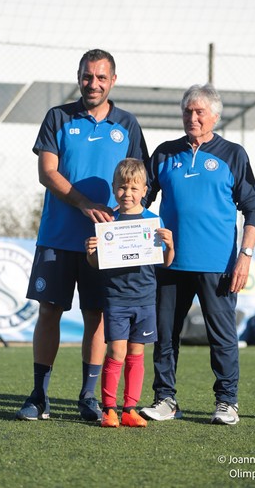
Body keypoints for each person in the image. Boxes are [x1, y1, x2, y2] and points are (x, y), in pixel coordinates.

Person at [16, 49, 148, 421]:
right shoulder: (58, 117)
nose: (93, 84)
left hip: (106, 244)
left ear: (113, 81)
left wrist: (134, 220)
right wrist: (84, 203)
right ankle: (39, 396)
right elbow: (47, 171)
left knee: (98, 317)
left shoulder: (128, 124)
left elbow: (141, 182)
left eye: (101, 78)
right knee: (49, 312)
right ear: (79, 77)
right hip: (58, 236)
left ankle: (88, 397)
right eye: (87, 77)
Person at [139, 83, 255, 425]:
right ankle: (165, 398)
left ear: (215, 117)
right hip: (169, 261)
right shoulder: (164, 153)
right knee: (165, 334)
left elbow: (253, 210)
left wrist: (245, 255)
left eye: (199, 112)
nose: (192, 118)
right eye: (187, 112)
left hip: (218, 265)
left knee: (222, 336)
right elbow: (140, 200)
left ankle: (227, 402)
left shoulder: (233, 154)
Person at [85, 158, 174, 427]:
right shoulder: (108, 222)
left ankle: (130, 409)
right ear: (114, 188)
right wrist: (91, 253)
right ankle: (109, 409)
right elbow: (98, 263)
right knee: (116, 352)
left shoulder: (153, 221)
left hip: (145, 298)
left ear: (145, 190)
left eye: (134, 188)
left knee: (137, 353)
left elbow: (166, 262)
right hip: (116, 298)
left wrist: (169, 246)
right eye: (123, 188)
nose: (128, 194)